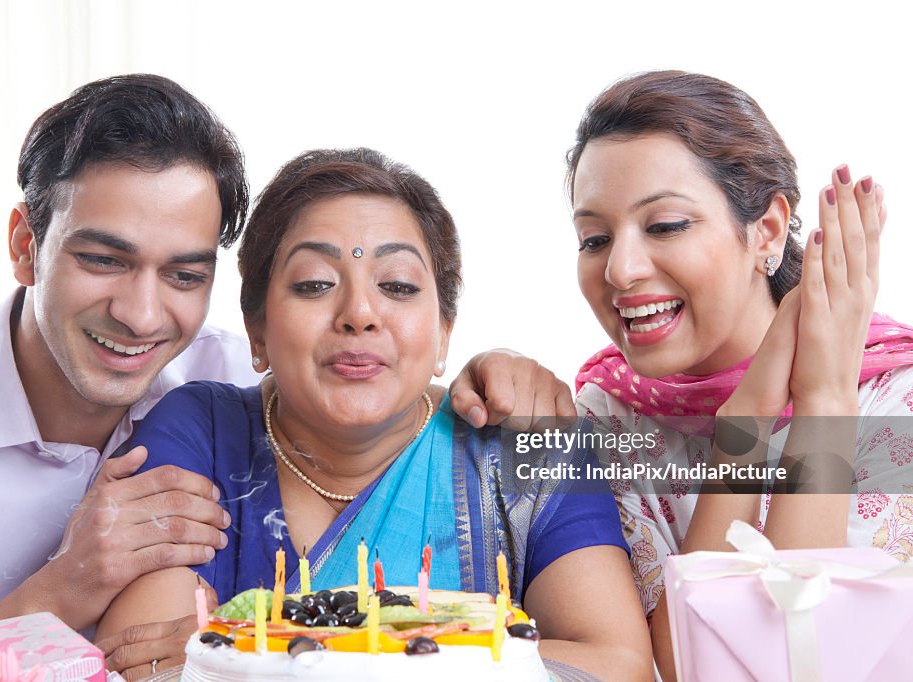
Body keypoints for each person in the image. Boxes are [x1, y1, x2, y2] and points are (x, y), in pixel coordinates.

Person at [0, 74, 576, 650]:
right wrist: (61, 589)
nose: (142, 313)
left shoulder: (226, 380)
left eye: (185, 275)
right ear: (23, 244)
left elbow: (367, 370)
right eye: (103, 260)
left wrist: (499, 367)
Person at [94, 148, 653, 681]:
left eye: (397, 285)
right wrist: (457, 649)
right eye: (315, 285)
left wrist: (264, 646)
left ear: (444, 334)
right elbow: (142, 662)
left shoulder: (528, 440)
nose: (359, 313)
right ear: (256, 331)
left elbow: (613, 664)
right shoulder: (200, 434)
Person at [566, 70, 913, 680]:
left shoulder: (895, 400)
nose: (620, 270)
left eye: (666, 225)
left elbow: (804, 662)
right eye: (593, 238)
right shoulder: (602, 422)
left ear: (768, 231)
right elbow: (689, 669)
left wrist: (825, 402)